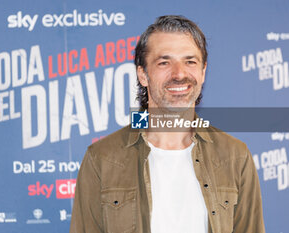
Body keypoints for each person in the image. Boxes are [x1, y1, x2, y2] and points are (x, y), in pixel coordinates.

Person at [70, 15, 265, 233]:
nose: (179, 74)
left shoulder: (235, 156)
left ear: (203, 72)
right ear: (143, 74)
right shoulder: (102, 158)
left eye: (190, 61)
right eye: (164, 62)